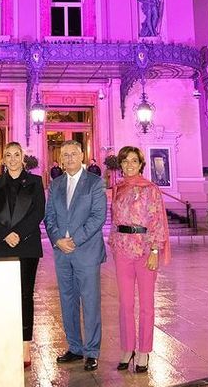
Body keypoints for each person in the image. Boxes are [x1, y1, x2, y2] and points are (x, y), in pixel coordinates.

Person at [45, 140, 106, 372]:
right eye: (65, 155)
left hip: (86, 251)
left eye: (73, 154)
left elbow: (98, 216)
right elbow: (49, 216)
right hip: (62, 252)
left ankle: (91, 351)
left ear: (82, 155)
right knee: (67, 300)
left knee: (90, 301)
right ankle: (74, 347)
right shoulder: (56, 184)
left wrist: (75, 239)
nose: (69, 158)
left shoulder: (95, 182)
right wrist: (57, 239)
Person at [110, 145, 170, 373]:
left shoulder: (150, 189)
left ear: (141, 164)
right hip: (122, 248)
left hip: (145, 249)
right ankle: (128, 348)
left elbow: (156, 220)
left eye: (134, 161)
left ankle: (144, 351)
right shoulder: (119, 188)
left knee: (146, 304)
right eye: (125, 161)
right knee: (125, 303)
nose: (129, 165)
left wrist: (155, 250)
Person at [0, 142, 45, 369]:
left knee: (24, 295)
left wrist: (18, 234)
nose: (12, 159)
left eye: (16, 155)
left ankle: (24, 345)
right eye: (8, 155)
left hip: (27, 245)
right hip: (2, 244)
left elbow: (38, 211)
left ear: (23, 158)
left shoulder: (35, 182)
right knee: (2, 296)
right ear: (2, 159)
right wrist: (4, 235)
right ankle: (5, 341)